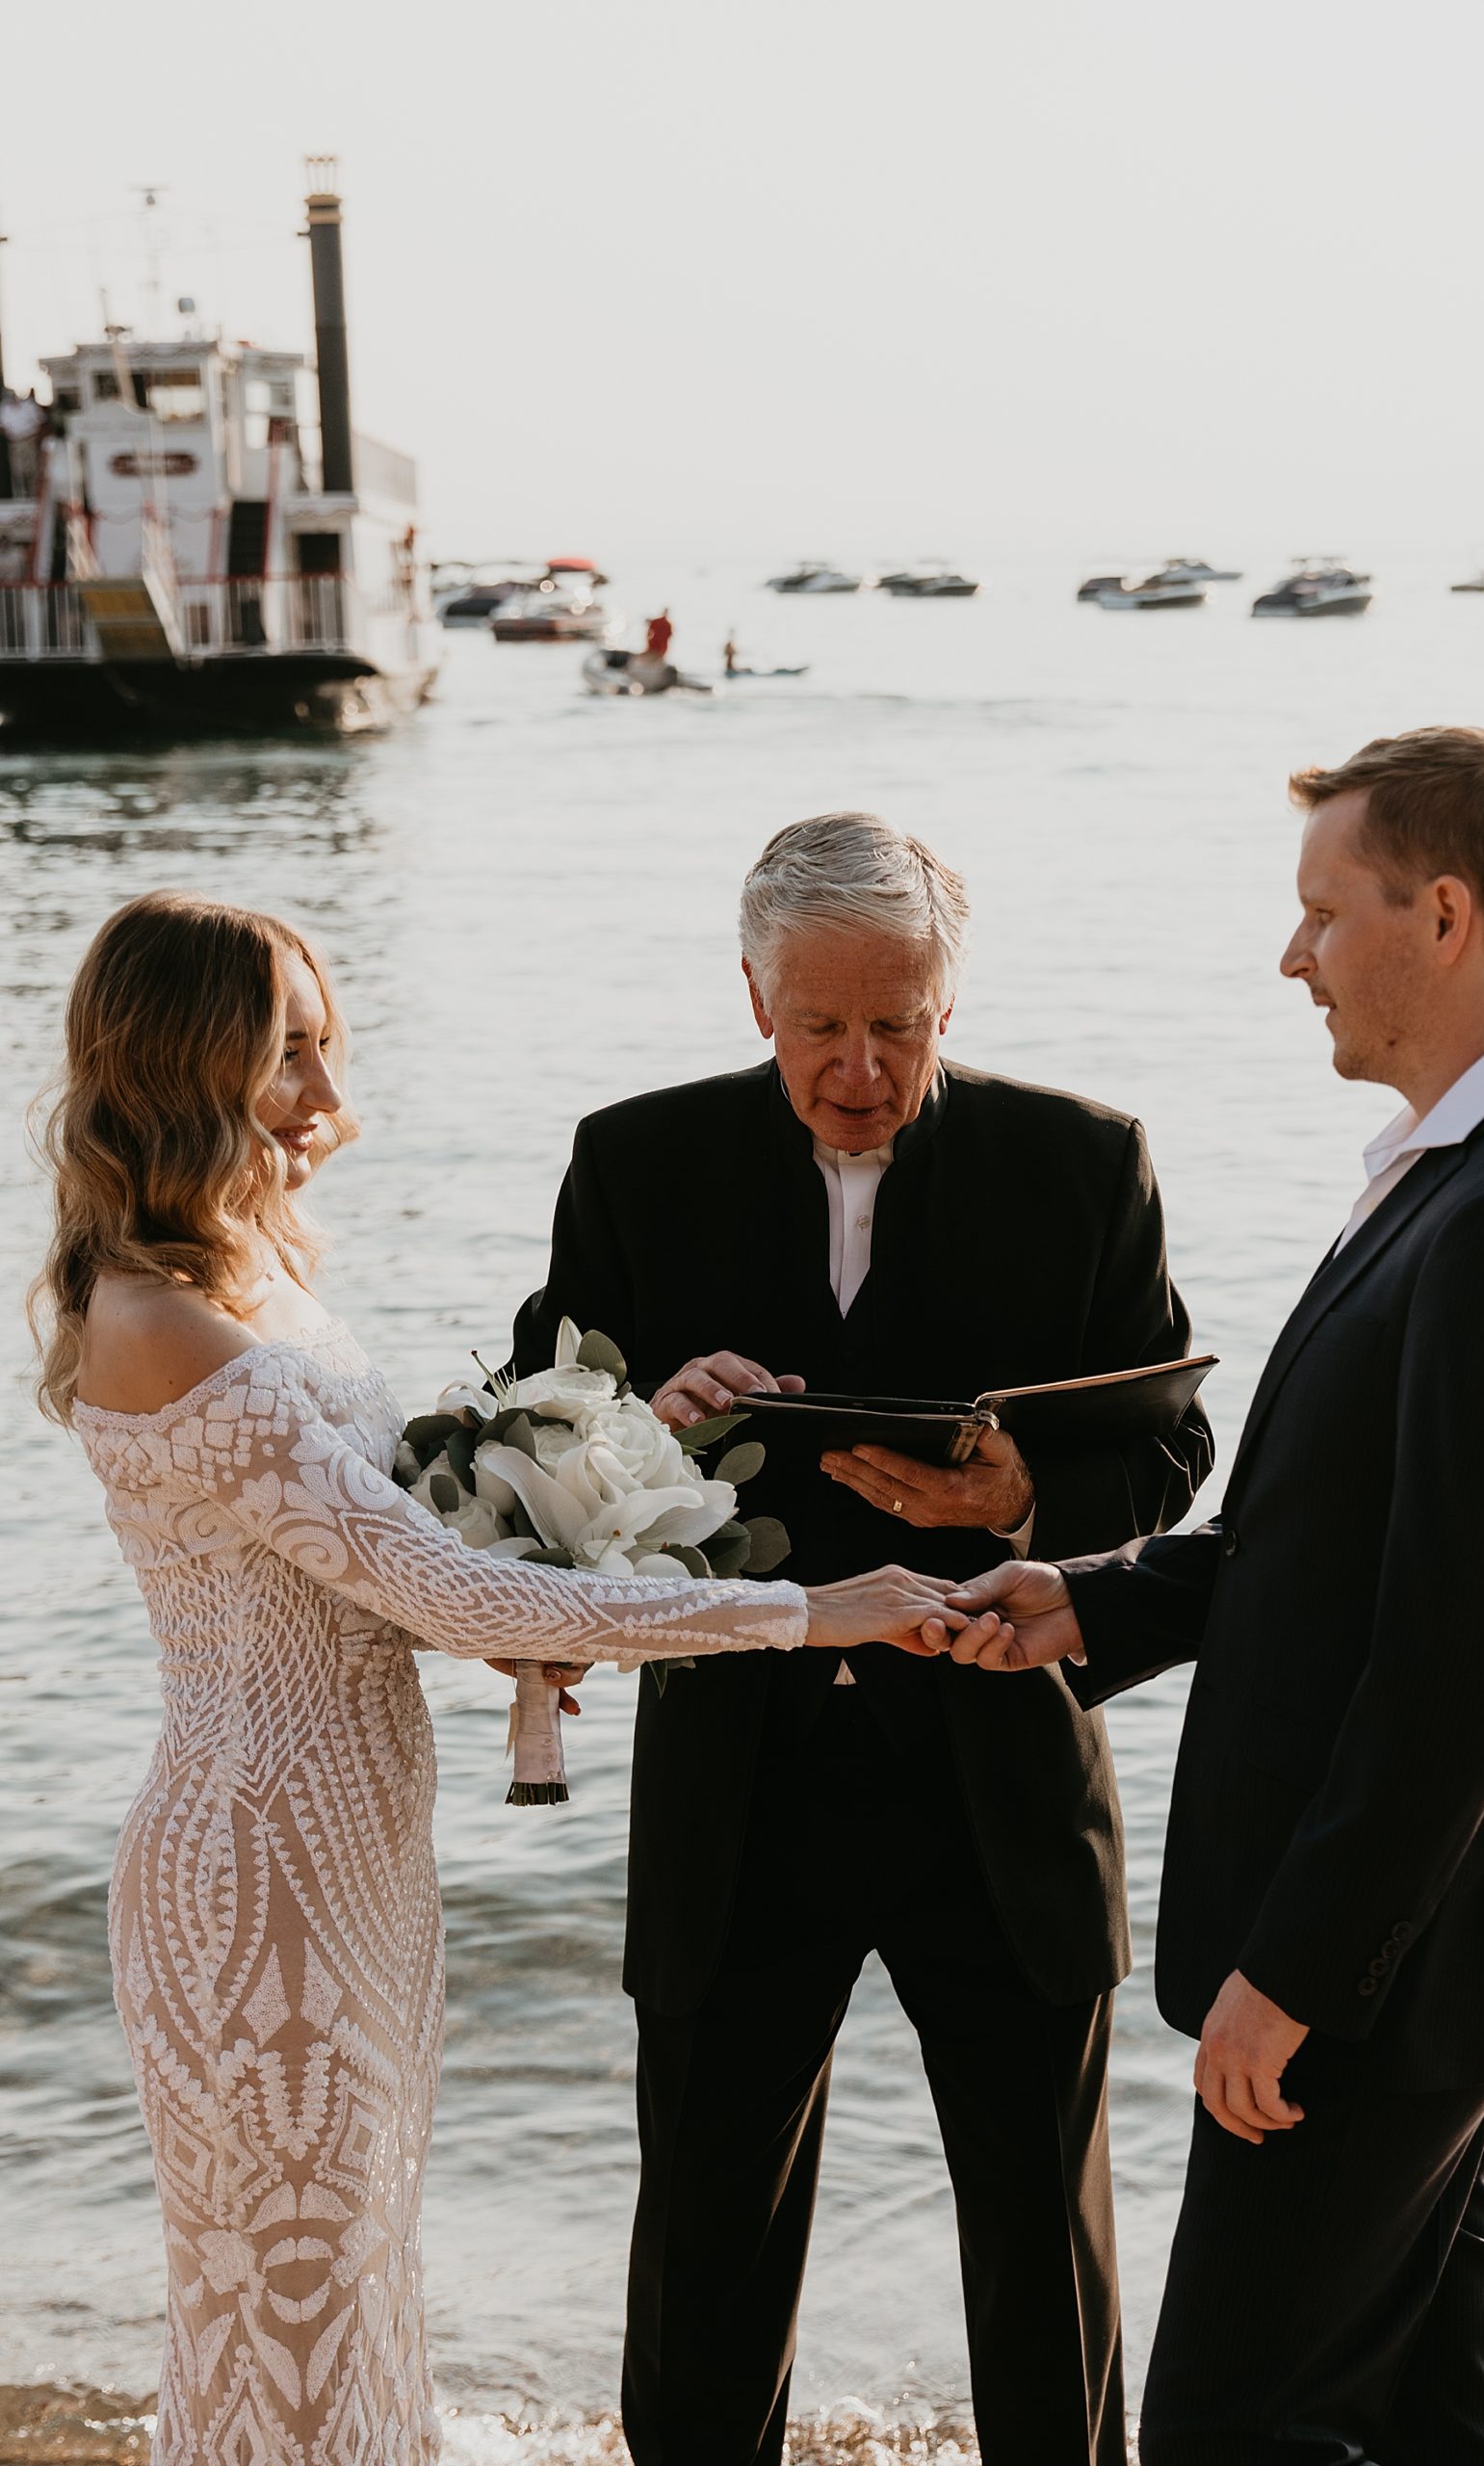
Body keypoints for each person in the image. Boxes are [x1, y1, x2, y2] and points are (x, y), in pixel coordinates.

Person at [32, 891, 976, 2466]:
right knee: (283, 2314)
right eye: (286, 1056)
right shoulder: (160, 1322)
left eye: (326, 1047)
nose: (328, 1095)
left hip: (350, 1848)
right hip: (255, 1865)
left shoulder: (246, 1284)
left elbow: (397, 1543)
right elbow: (434, 1584)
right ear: (181, 1067)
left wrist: (626, 1454)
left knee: (353, 2278)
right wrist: (811, 1611)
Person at [945, 727, 1484, 2466]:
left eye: (1325, 913)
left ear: (1446, 916)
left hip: (1386, 1983)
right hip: (1423, 1969)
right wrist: (1092, 1598)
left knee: (1228, 2429)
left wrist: (1299, 1976)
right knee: (1438, 2416)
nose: (1291, 955)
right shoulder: (1468, 1173)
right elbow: (1325, 1548)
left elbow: (1460, 1666)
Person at [510, 812, 1212, 2466]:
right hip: (736, 1780)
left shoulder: (1086, 1162)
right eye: (821, 1025)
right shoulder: (634, 1159)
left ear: (948, 1003)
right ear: (756, 996)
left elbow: (1173, 1453)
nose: (860, 1067)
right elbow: (531, 1460)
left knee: (1046, 2258)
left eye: (898, 1024)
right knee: (704, 2256)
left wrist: (1026, 1496)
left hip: (1000, 1770)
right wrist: (640, 1421)